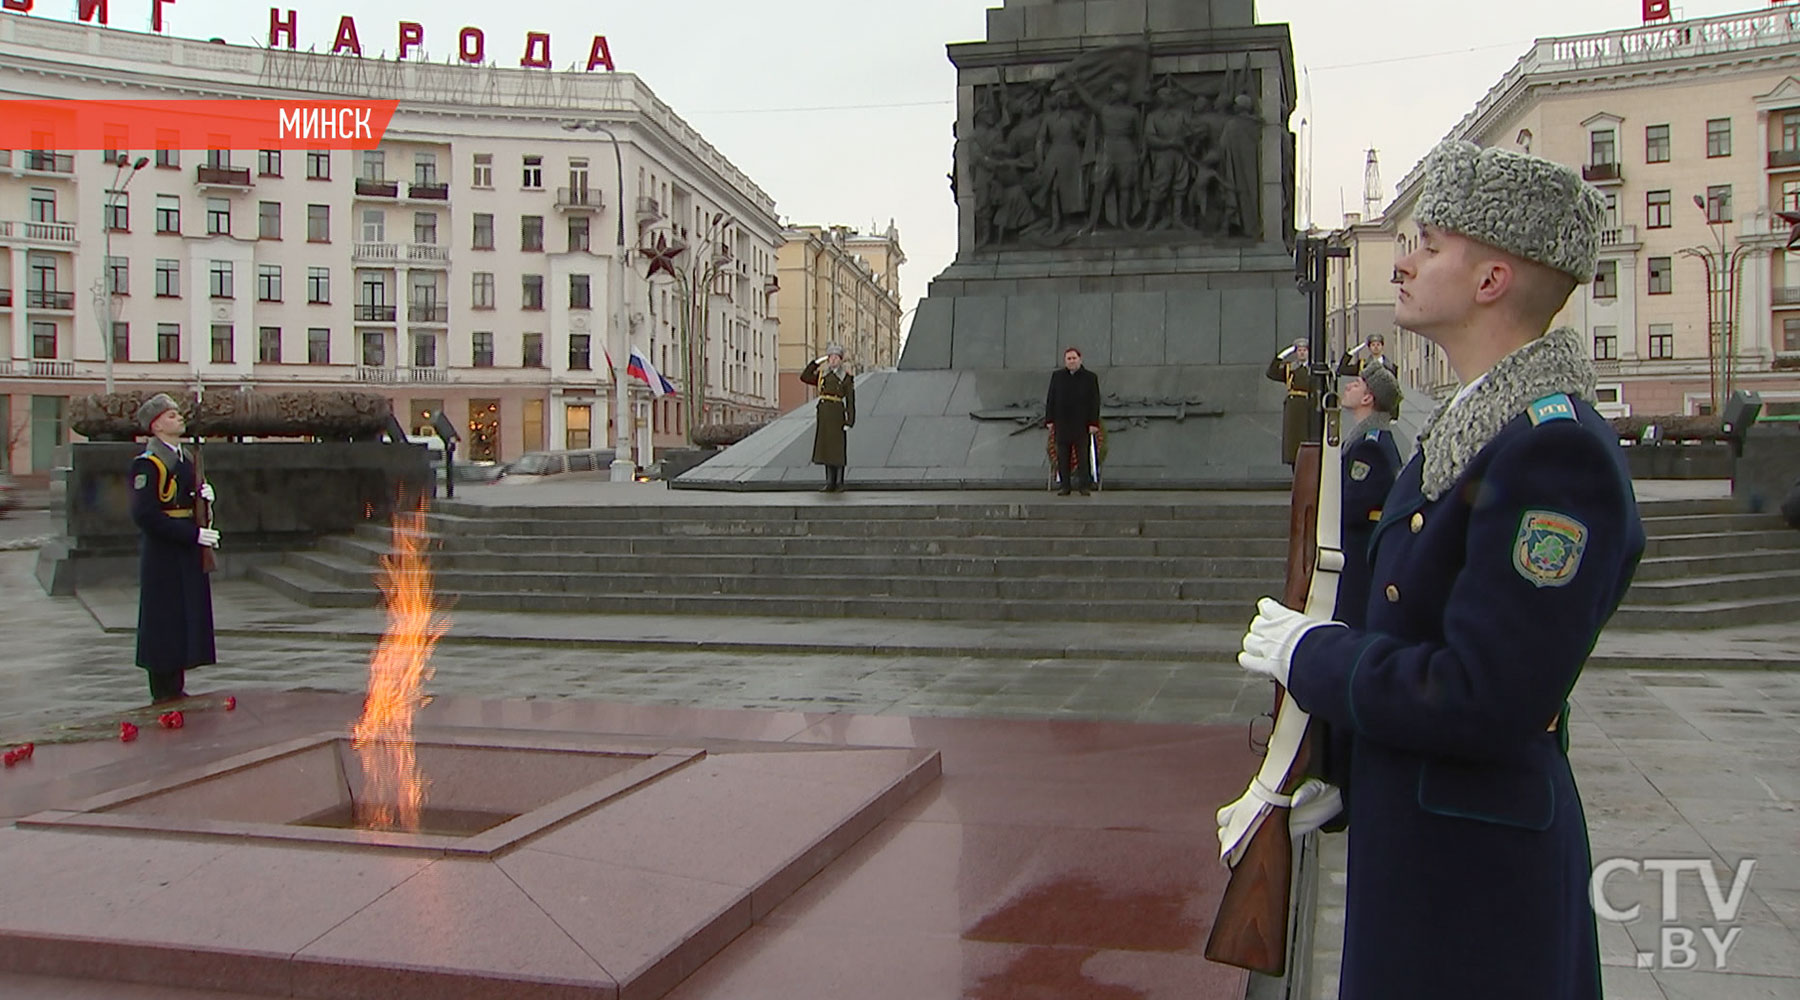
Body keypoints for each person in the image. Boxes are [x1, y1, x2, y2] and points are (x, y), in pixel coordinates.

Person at [1232, 140, 1645, 999]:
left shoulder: (1554, 453)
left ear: (1491, 280)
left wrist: (1314, 657)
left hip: (1479, 888)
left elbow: (1482, 693)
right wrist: (1333, 767)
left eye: (1427, 243)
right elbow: (1410, 628)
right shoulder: (1469, 436)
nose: (1405, 262)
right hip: (1423, 851)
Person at [129, 393, 219, 703]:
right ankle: (162, 690)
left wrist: (205, 498)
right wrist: (192, 535)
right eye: (170, 416)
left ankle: (176, 686)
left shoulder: (186, 459)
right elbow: (145, 515)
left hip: (184, 549)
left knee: (182, 616)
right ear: (155, 427)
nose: (178, 418)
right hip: (163, 552)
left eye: (178, 414)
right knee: (163, 619)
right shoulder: (148, 464)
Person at [1336, 364, 1403, 623]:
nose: (1349, 386)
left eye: (1358, 384)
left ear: (1368, 398)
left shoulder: (1370, 446)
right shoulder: (1363, 439)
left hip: (1358, 554)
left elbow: (1354, 504)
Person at [1044, 346, 1101, 495]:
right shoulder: (1058, 377)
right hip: (1062, 423)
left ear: (1080, 359)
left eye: (1074, 358)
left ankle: (1084, 486)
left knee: (1082, 457)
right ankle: (1065, 486)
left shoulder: (1090, 377)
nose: (1071, 361)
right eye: (1068, 359)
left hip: (1081, 424)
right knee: (1063, 457)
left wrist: (1093, 423)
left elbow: (1094, 401)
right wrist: (1049, 420)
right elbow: (1051, 399)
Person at [800, 344, 855, 492]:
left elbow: (850, 400)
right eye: (830, 357)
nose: (832, 360)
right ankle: (829, 482)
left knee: (837, 449)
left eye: (835, 357)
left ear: (840, 360)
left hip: (837, 414)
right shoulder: (822, 375)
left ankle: (839, 482)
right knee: (826, 449)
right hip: (824, 414)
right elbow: (804, 376)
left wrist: (850, 420)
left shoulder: (846, 377)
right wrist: (818, 361)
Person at [1265, 338, 1312, 466]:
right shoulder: (1289, 369)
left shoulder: (1312, 369)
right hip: (1293, 407)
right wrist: (1284, 354)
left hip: (1308, 406)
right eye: (1299, 351)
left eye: (1304, 350)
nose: (1302, 353)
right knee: (1293, 440)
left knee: (1307, 438)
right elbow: (1271, 372)